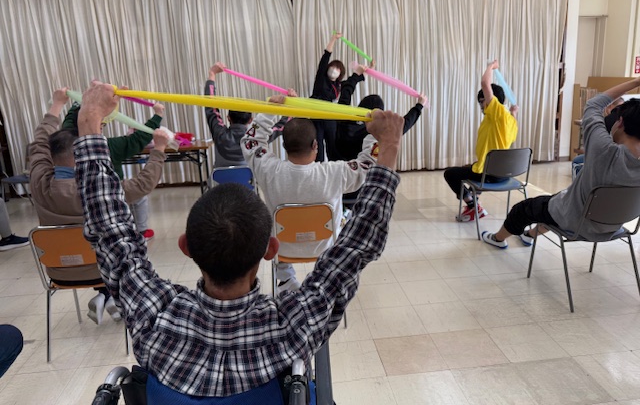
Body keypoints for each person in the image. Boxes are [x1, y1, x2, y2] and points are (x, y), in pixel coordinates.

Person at [73, 80, 403, 397]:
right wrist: (387, 145)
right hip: (321, 245)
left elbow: (110, 231)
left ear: (186, 246)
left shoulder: (155, 317)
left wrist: (89, 121)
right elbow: (357, 243)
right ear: (269, 249)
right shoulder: (291, 327)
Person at [29, 88, 169, 324]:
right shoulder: (100, 189)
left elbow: (39, 143)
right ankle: (112, 295)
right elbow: (144, 183)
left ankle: (105, 296)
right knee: (116, 243)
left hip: (58, 272)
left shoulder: (38, 183)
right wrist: (159, 150)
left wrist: (56, 105)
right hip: (104, 270)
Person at [241, 90, 377, 293]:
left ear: (284, 146)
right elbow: (368, 164)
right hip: (326, 246)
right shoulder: (335, 173)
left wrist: (270, 110)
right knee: (345, 219)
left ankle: (285, 278)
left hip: (282, 248)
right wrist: (375, 133)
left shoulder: (269, 170)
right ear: (315, 145)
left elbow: (249, 142)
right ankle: (326, 276)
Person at [481, 77, 640, 249]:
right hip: (613, 227)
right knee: (556, 201)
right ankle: (529, 236)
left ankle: (497, 239)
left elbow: (594, 104)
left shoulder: (603, 149)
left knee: (523, 209)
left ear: (620, 122)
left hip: (576, 222)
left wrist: (636, 82)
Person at [62, 97, 165, 240]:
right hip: (111, 200)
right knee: (139, 196)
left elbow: (69, 119)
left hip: (72, 205)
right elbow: (139, 139)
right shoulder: (108, 146)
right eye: (101, 123)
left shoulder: (64, 142)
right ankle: (141, 231)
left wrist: (81, 100)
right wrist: (158, 116)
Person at [443, 60, 518, 221]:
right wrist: (514, 112)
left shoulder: (497, 113)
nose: (481, 105)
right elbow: (512, 115)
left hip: (490, 174)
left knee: (450, 174)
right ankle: (474, 201)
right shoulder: (510, 121)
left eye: (482, 101)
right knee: (473, 167)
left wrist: (491, 66)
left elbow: (485, 83)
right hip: (503, 174)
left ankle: (473, 206)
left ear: (492, 99)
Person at [204, 63, 288, 168]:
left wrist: (212, 74)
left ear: (228, 118)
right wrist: (291, 101)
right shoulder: (257, 136)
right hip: (249, 179)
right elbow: (282, 125)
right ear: (250, 120)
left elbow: (211, 108)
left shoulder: (220, 134)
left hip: (221, 179)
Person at [311, 32, 368, 162]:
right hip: (316, 116)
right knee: (318, 148)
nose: (334, 70)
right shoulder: (321, 79)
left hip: (330, 117)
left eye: (337, 69)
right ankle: (319, 169)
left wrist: (369, 68)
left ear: (340, 74)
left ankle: (335, 169)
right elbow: (325, 57)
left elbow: (353, 81)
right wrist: (333, 39)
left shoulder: (339, 86)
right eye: (332, 67)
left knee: (333, 147)